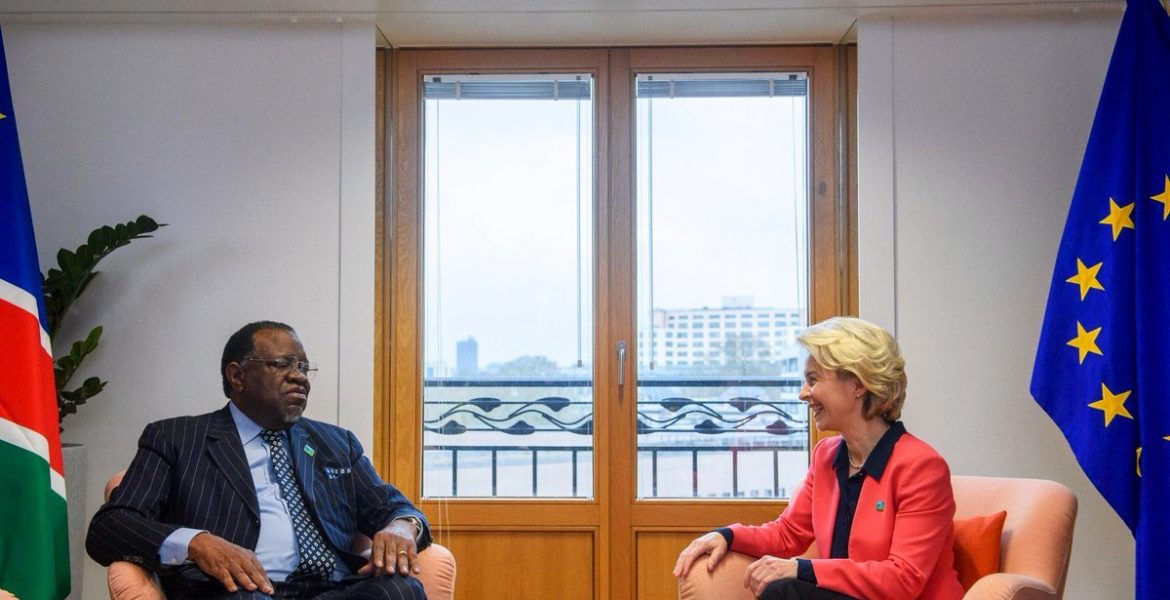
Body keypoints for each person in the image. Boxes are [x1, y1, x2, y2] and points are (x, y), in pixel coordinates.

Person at [87, 321, 432, 600]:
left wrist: (402, 526)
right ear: (237, 376)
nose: (299, 376)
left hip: (335, 590)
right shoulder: (178, 438)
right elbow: (111, 526)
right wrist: (196, 542)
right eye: (282, 364)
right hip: (241, 589)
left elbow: (390, 507)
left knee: (402, 589)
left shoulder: (335, 442)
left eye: (303, 366)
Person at [673, 317, 963, 600]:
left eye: (813, 380)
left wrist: (804, 569)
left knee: (782, 590)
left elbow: (903, 579)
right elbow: (787, 534)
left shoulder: (921, 466)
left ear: (858, 384)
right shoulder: (827, 455)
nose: (803, 394)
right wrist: (727, 535)